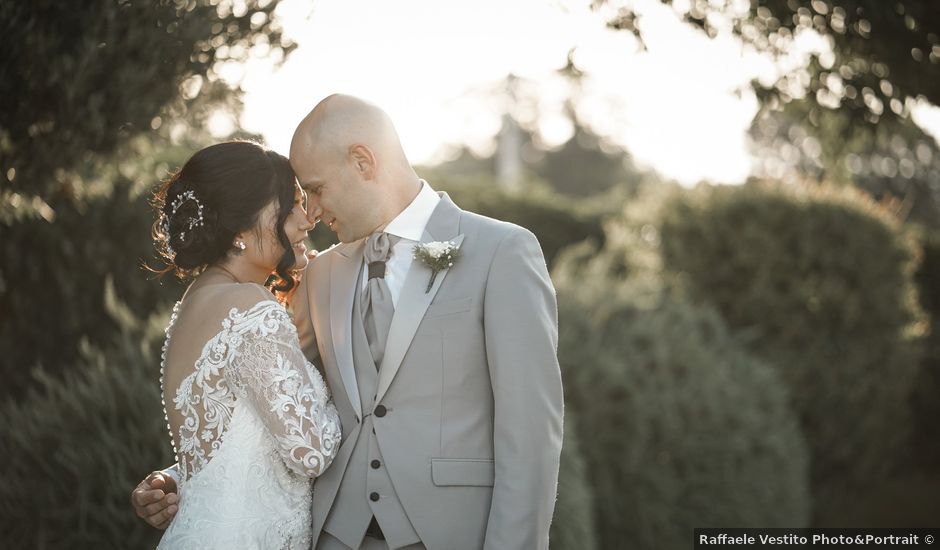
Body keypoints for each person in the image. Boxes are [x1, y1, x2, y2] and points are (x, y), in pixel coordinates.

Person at [134, 95, 563, 549]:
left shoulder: (501, 252)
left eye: (316, 189)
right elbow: (262, 402)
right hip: (334, 536)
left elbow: (531, 435)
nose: (311, 212)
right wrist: (181, 476)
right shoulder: (320, 274)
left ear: (362, 162)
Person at [143, 141, 342, 549]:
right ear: (239, 230)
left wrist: (172, 478)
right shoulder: (249, 307)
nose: (308, 220)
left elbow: (222, 449)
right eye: (290, 207)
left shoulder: (196, 302)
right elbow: (311, 452)